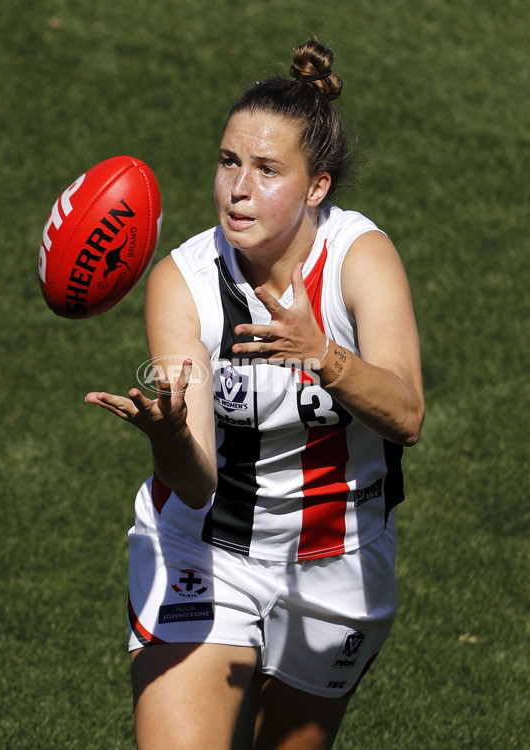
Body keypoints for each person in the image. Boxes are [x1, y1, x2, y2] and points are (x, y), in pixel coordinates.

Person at [86, 39, 424, 750]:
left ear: (316, 188)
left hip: (340, 562)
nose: (238, 188)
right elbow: (197, 478)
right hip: (208, 552)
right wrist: (171, 434)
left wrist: (322, 354)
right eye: (228, 161)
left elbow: (407, 415)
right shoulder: (185, 282)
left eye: (268, 170)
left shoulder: (361, 260)